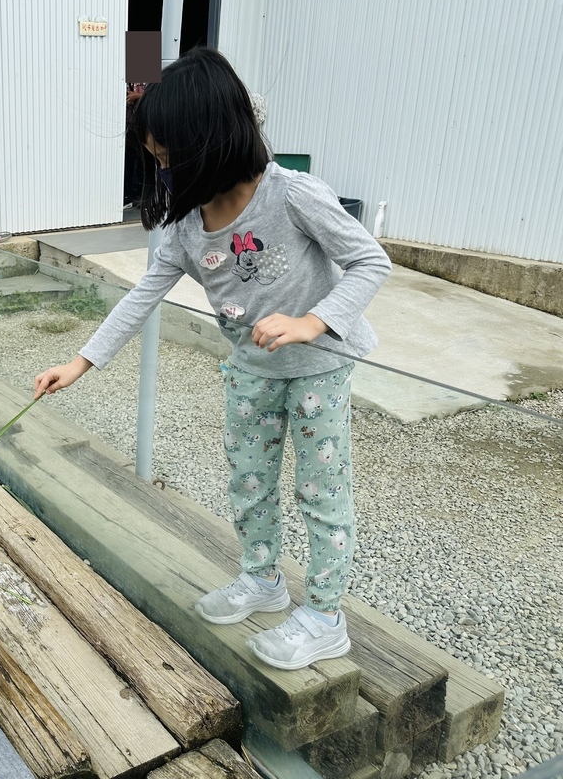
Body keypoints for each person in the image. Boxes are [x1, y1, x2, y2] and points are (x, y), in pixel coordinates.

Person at [34, 47, 392, 670]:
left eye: (169, 158)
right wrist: (81, 361)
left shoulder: (292, 196)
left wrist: (312, 322)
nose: (164, 172)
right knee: (249, 483)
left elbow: (371, 262)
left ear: (212, 140)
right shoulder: (187, 227)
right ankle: (263, 579)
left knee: (321, 492)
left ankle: (326, 615)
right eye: (156, 160)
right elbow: (143, 295)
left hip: (318, 374)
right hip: (249, 373)